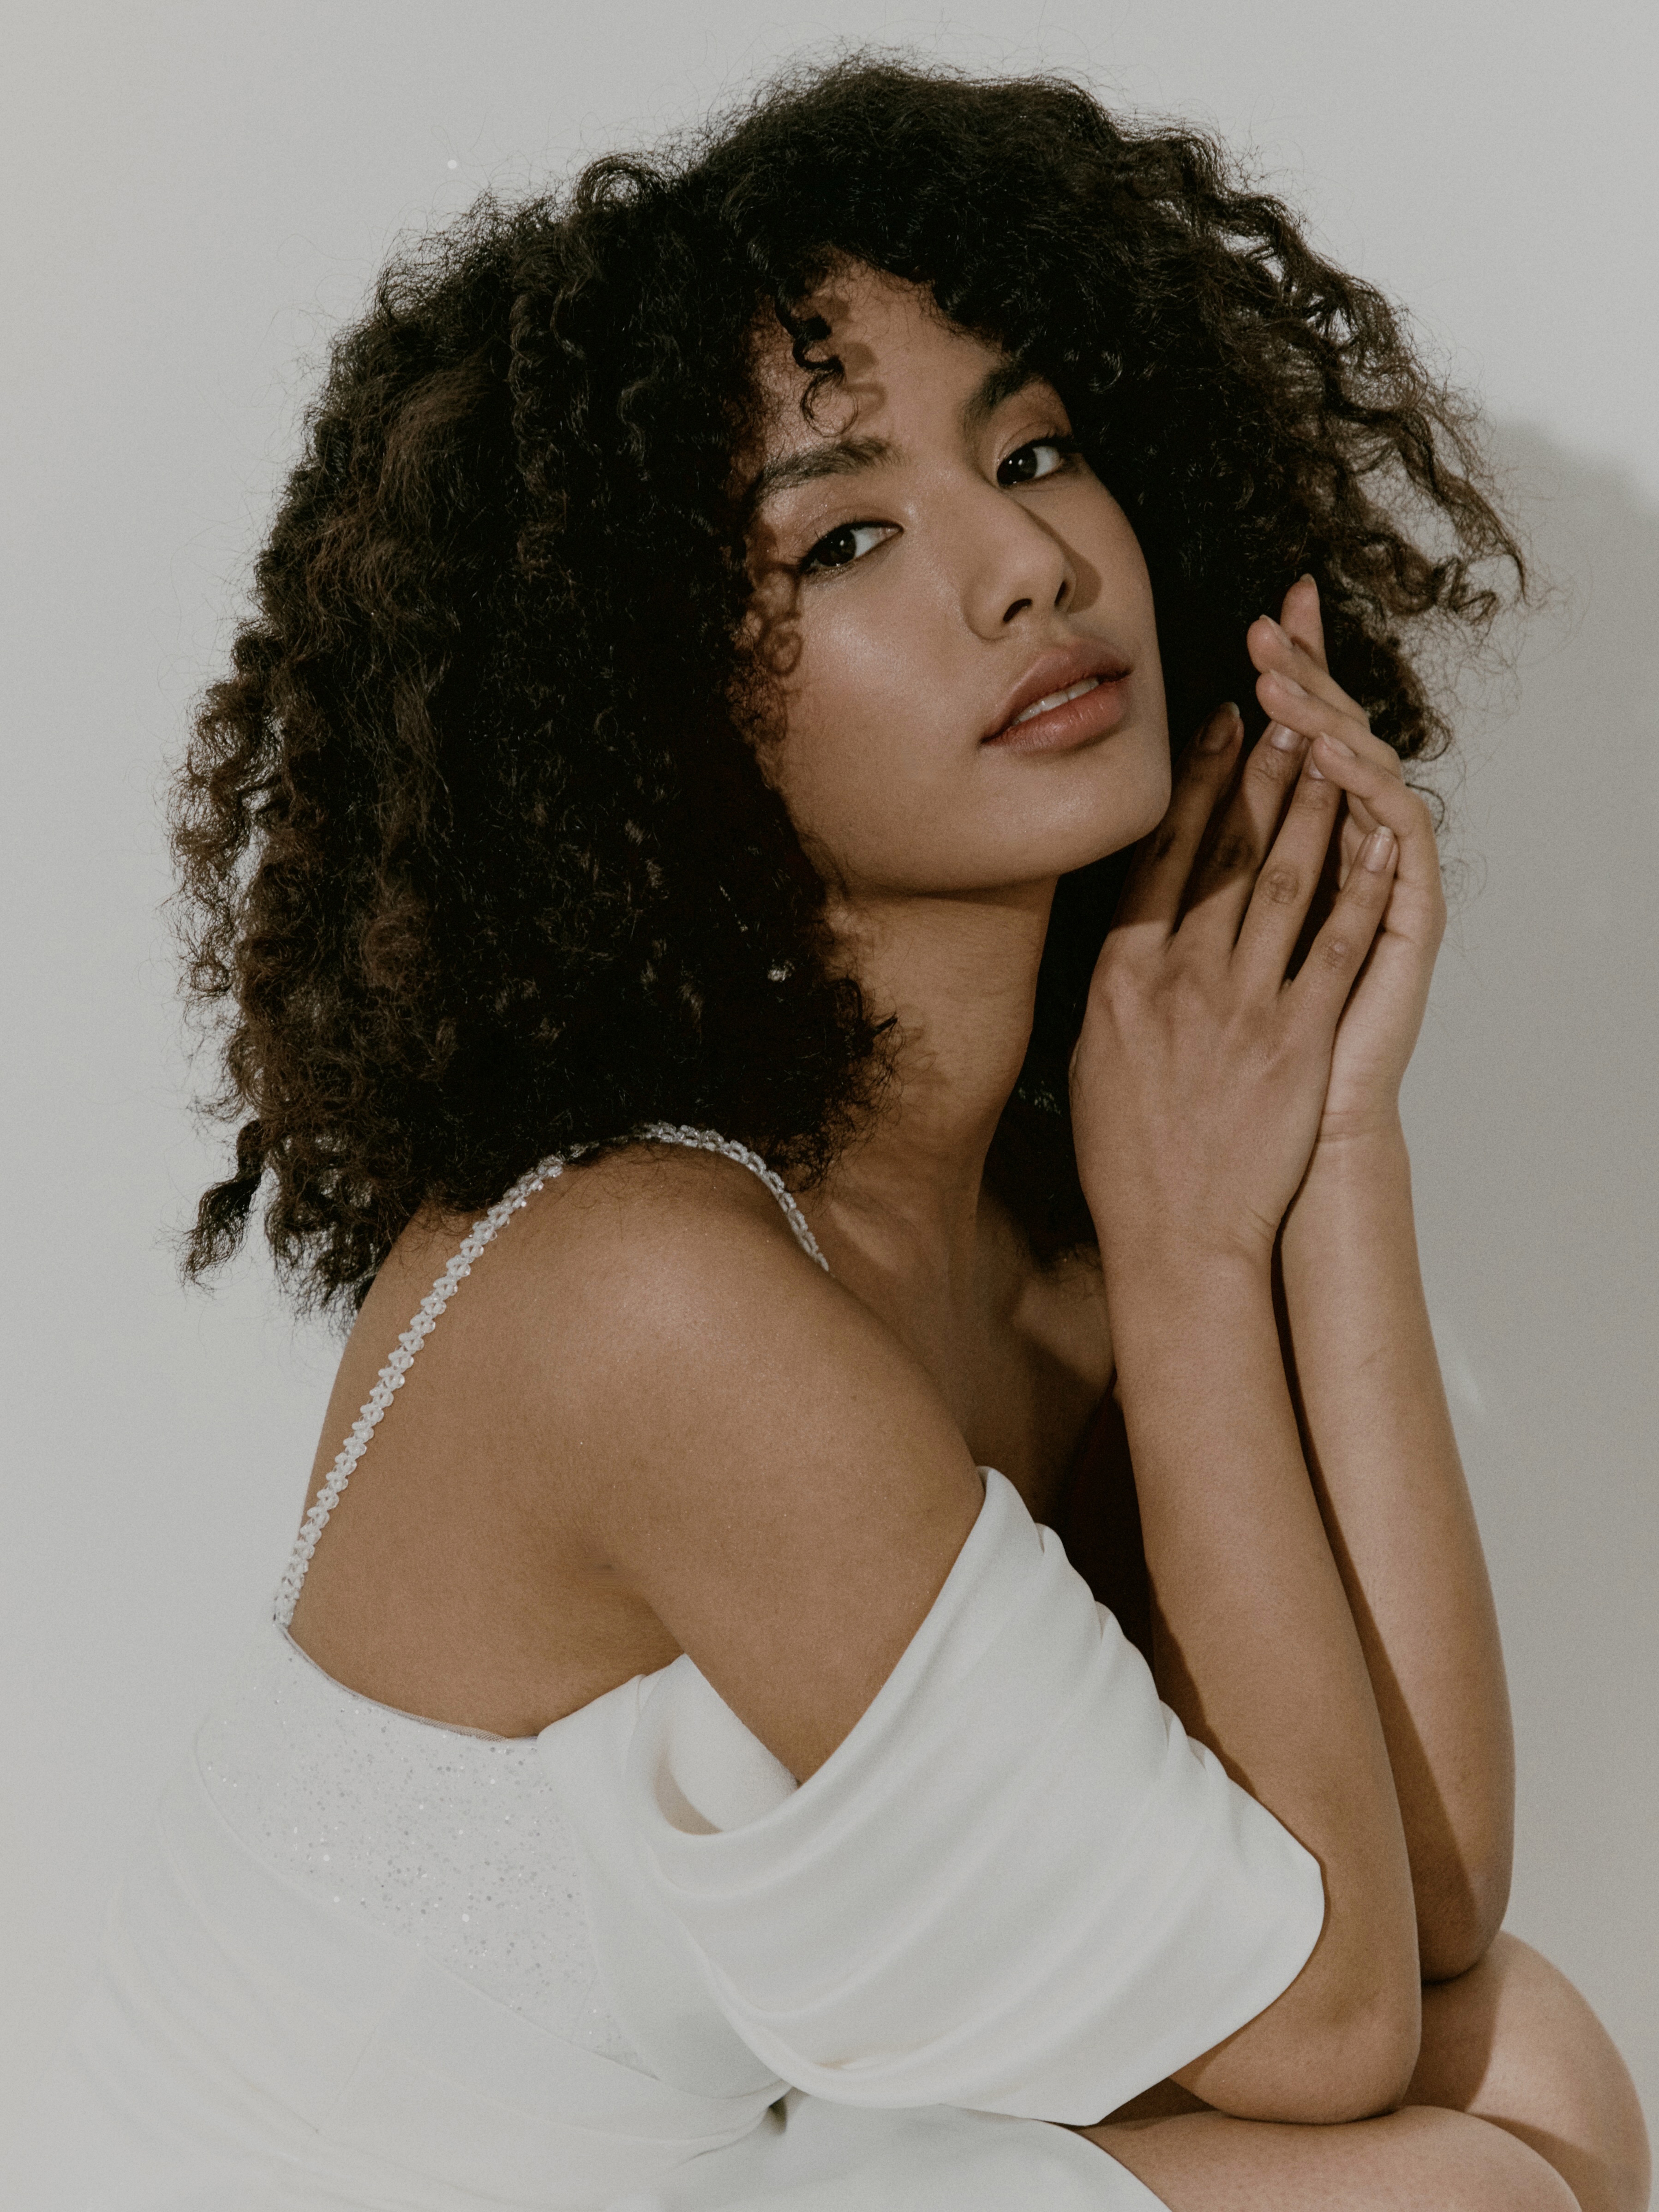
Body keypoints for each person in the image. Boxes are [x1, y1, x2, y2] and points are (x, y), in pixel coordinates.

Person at [22, 56, 1648, 2212]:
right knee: (1455, 2185)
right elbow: (1319, 2024)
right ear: (649, 709)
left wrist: (1329, 1129)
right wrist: (1192, 1254)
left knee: (1524, 2050)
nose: (1027, 566)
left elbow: (1424, 1900)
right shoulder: (649, 1290)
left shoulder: (1034, 1220)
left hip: (711, 2166)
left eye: (1034, 449)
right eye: (846, 536)